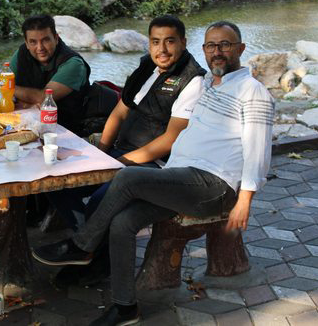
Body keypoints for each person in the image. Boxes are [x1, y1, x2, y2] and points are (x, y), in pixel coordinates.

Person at [32, 21, 275, 326]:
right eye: (211, 46)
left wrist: (245, 200)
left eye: (225, 45)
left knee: (127, 177)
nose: (217, 51)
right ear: (203, 49)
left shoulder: (253, 92)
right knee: (123, 222)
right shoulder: (209, 85)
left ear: (241, 48)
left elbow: (258, 150)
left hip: (214, 184)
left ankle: (82, 246)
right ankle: (125, 307)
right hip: (182, 177)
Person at [45, 15, 206, 288]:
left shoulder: (192, 81)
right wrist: (101, 153)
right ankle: (92, 247)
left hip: (155, 164)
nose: (162, 49)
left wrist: (120, 163)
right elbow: (119, 113)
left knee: (100, 199)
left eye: (170, 42)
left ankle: (95, 260)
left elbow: (170, 140)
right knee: (59, 182)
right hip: (122, 152)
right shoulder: (147, 67)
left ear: (183, 42)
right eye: (155, 42)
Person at [8, 15, 91, 135]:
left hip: (66, 130)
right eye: (33, 42)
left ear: (56, 38)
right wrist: (27, 102)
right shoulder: (22, 53)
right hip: (29, 124)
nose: (40, 48)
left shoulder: (73, 63)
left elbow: (44, 98)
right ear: (26, 43)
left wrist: (11, 90)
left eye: (45, 40)